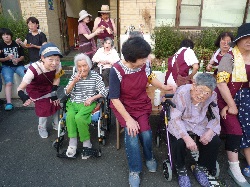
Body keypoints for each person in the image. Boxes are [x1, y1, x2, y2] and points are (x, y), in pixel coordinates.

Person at [109, 37, 176, 187]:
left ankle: (149, 157)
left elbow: (150, 77)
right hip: (123, 106)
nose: (146, 60)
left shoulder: (144, 65)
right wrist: (129, 120)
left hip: (140, 103)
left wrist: (163, 87)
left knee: (146, 133)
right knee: (132, 135)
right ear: (131, 59)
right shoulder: (116, 70)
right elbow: (114, 98)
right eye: (142, 58)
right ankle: (134, 169)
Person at [168, 73, 221, 187]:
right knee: (179, 141)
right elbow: (175, 118)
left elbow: (216, 116)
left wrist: (210, 131)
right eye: (200, 90)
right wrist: (186, 138)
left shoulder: (213, 95)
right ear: (193, 85)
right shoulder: (182, 92)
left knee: (214, 141)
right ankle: (181, 169)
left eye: (206, 93)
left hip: (199, 123)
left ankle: (200, 167)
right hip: (182, 122)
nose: (202, 95)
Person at [215, 23, 250, 187]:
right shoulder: (229, 57)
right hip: (226, 98)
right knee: (235, 130)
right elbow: (221, 84)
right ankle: (234, 168)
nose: (249, 41)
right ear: (239, 40)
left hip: (245, 99)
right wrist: (231, 105)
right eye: (246, 38)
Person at [64, 53, 108, 158]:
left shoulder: (95, 76)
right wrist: (74, 81)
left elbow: (104, 91)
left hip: (88, 103)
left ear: (89, 65)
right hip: (73, 102)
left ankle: (87, 143)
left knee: (79, 118)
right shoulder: (74, 76)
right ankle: (72, 143)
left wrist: (92, 98)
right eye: (79, 66)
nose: (82, 68)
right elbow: (66, 92)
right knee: (70, 116)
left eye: (84, 65)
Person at [17, 43, 64, 138]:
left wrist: (54, 92)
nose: (54, 63)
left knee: (55, 104)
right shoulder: (33, 69)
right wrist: (24, 97)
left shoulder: (58, 65)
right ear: (42, 57)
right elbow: (20, 88)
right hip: (36, 90)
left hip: (49, 87)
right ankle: (41, 127)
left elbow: (57, 78)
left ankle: (56, 124)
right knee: (44, 108)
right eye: (50, 59)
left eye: (57, 60)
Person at [0, 28, 25, 111]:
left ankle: (32, 97)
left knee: (27, 77)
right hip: (6, 67)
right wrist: (7, 58)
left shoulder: (16, 43)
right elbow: (0, 59)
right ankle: (9, 103)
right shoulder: (0, 45)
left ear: (10, 35)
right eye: (3, 35)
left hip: (18, 66)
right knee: (8, 83)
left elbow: (22, 56)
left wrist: (18, 59)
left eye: (8, 34)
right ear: (1, 37)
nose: (6, 36)